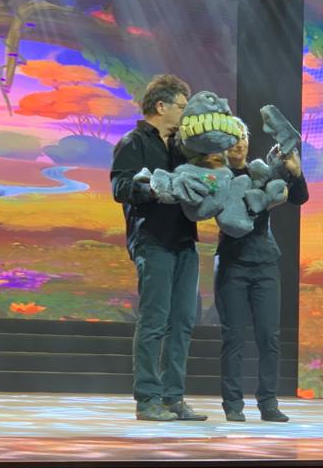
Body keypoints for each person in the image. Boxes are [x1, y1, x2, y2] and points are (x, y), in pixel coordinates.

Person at [110, 74, 208, 422]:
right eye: (182, 106)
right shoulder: (133, 142)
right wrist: (152, 189)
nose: (186, 113)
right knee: (154, 321)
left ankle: (173, 397)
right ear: (161, 106)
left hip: (184, 241)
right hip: (152, 240)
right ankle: (148, 399)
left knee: (182, 322)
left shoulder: (183, 147)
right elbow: (120, 187)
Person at [214, 120, 309, 422]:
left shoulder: (262, 172)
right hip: (232, 264)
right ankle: (232, 404)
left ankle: (268, 402)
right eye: (232, 138)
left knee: (269, 337)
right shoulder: (217, 176)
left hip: (265, 263)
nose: (239, 143)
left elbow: (299, 197)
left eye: (242, 137)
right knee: (234, 337)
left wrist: (295, 171)